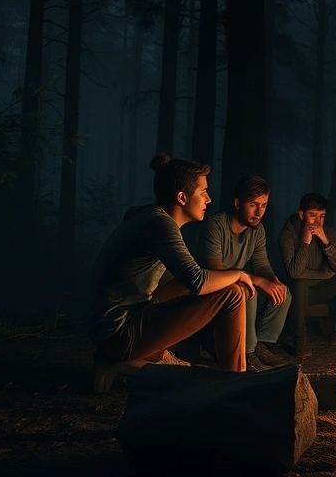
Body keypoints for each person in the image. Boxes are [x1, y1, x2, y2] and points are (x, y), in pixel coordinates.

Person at [89, 154, 255, 391]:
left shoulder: (149, 215)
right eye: (203, 192)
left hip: (110, 327)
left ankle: (130, 361)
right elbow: (198, 281)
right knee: (234, 293)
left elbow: (185, 281)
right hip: (118, 333)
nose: (209, 199)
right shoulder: (160, 224)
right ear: (182, 197)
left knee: (192, 282)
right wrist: (239, 273)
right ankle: (233, 385)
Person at [197, 175, 291, 372]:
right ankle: (247, 354)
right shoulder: (216, 225)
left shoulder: (257, 230)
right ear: (238, 203)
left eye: (264, 206)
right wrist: (254, 279)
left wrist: (273, 281)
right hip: (212, 288)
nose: (259, 212)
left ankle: (260, 345)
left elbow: (261, 264)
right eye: (253, 205)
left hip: (239, 280)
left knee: (283, 293)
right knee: (247, 290)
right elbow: (214, 269)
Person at [278, 193, 336, 357]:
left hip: (321, 290)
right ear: (301, 215)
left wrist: (326, 242)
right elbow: (294, 272)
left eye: (321, 216)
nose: (318, 222)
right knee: (299, 281)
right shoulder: (288, 234)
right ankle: (300, 336)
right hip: (298, 293)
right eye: (312, 215)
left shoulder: (327, 231)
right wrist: (305, 242)